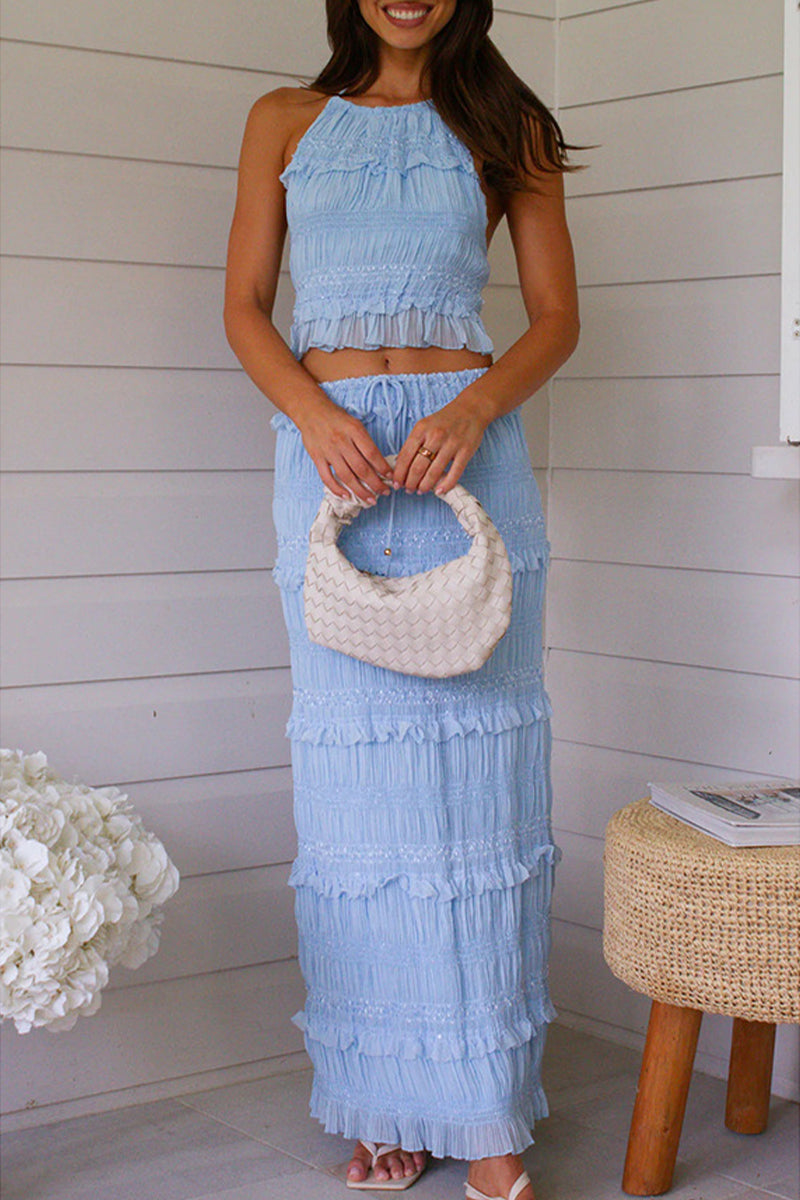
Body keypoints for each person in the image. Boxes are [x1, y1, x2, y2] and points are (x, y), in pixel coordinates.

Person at [224, 2, 580, 1197]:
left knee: (474, 801)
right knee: (363, 809)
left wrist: (473, 409)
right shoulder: (283, 119)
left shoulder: (507, 123)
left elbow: (555, 318)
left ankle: (485, 1116)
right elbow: (243, 304)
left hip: (462, 453)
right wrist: (312, 416)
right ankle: (385, 1102)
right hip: (331, 458)